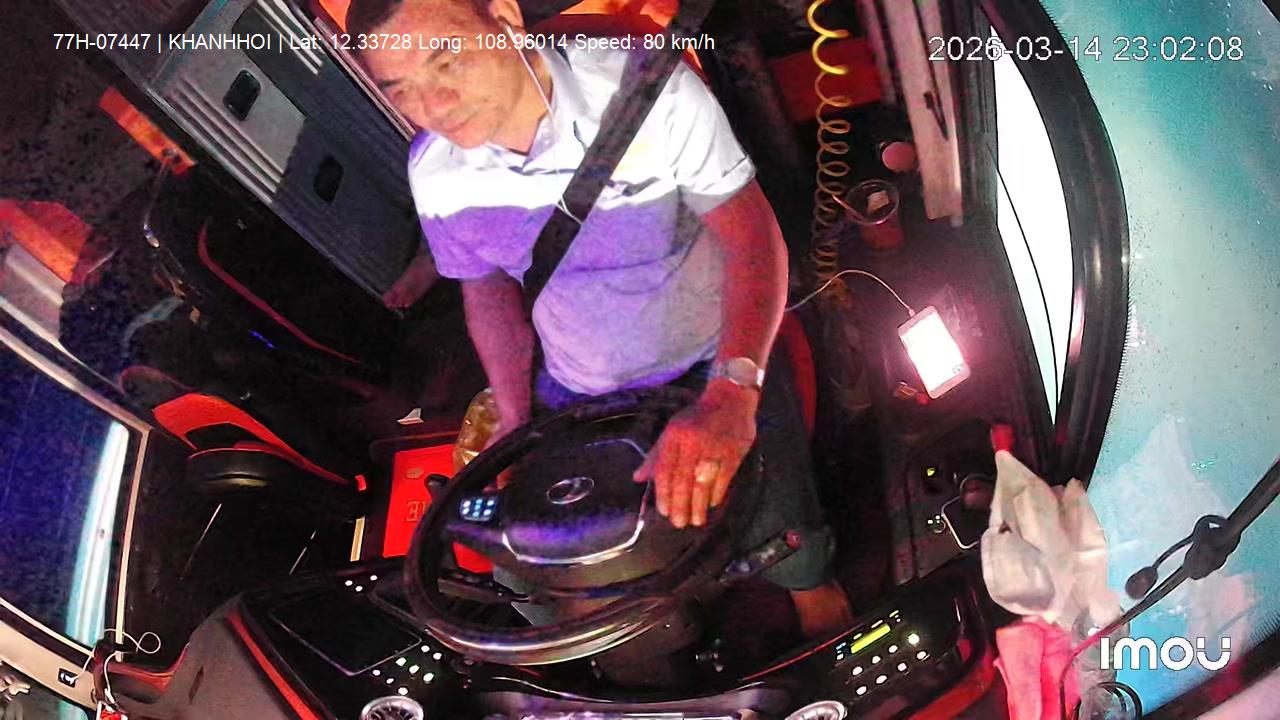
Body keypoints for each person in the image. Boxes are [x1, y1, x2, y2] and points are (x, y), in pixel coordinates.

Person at [352, 0, 852, 638]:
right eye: (402, 89)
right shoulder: (435, 171)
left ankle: (814, 590)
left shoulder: (645, 88)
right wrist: (517, 420)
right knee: (537, 571)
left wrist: (733, 391)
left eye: (447, 60)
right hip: (575, 383)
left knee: (785, 534)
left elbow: (752, 237)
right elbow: (487, 294)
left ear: (504, 18)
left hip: (708, 354)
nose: (435, 105)